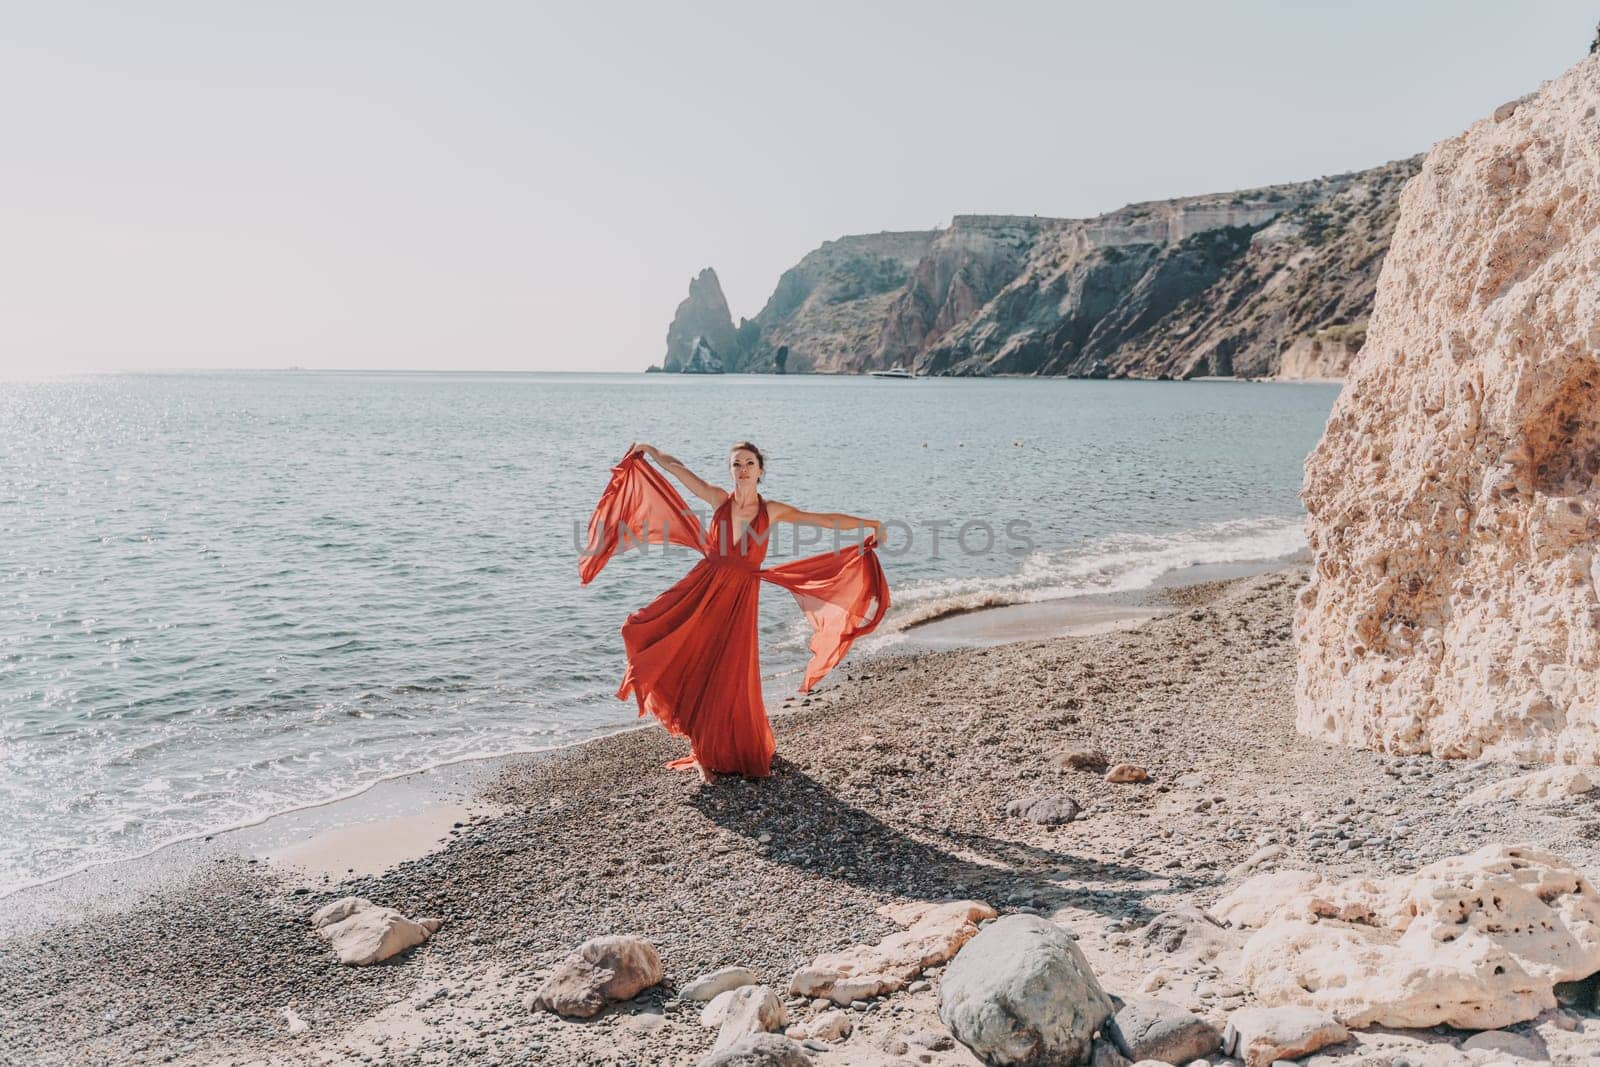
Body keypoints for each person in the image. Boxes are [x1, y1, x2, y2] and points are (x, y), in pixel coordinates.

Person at [578, 440, 888, 782]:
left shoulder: (773, 511)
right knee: (648, 633)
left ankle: (709, 752)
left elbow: (824, 520)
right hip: (703, 589)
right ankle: (701, 753)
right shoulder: (718, 499)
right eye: (737, 464)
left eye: (749, 464)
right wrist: (650, 450)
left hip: (740, 599)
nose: (742, 469)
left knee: (725, 673)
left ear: (760, 471)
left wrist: (871, 523)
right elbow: (678, 469)